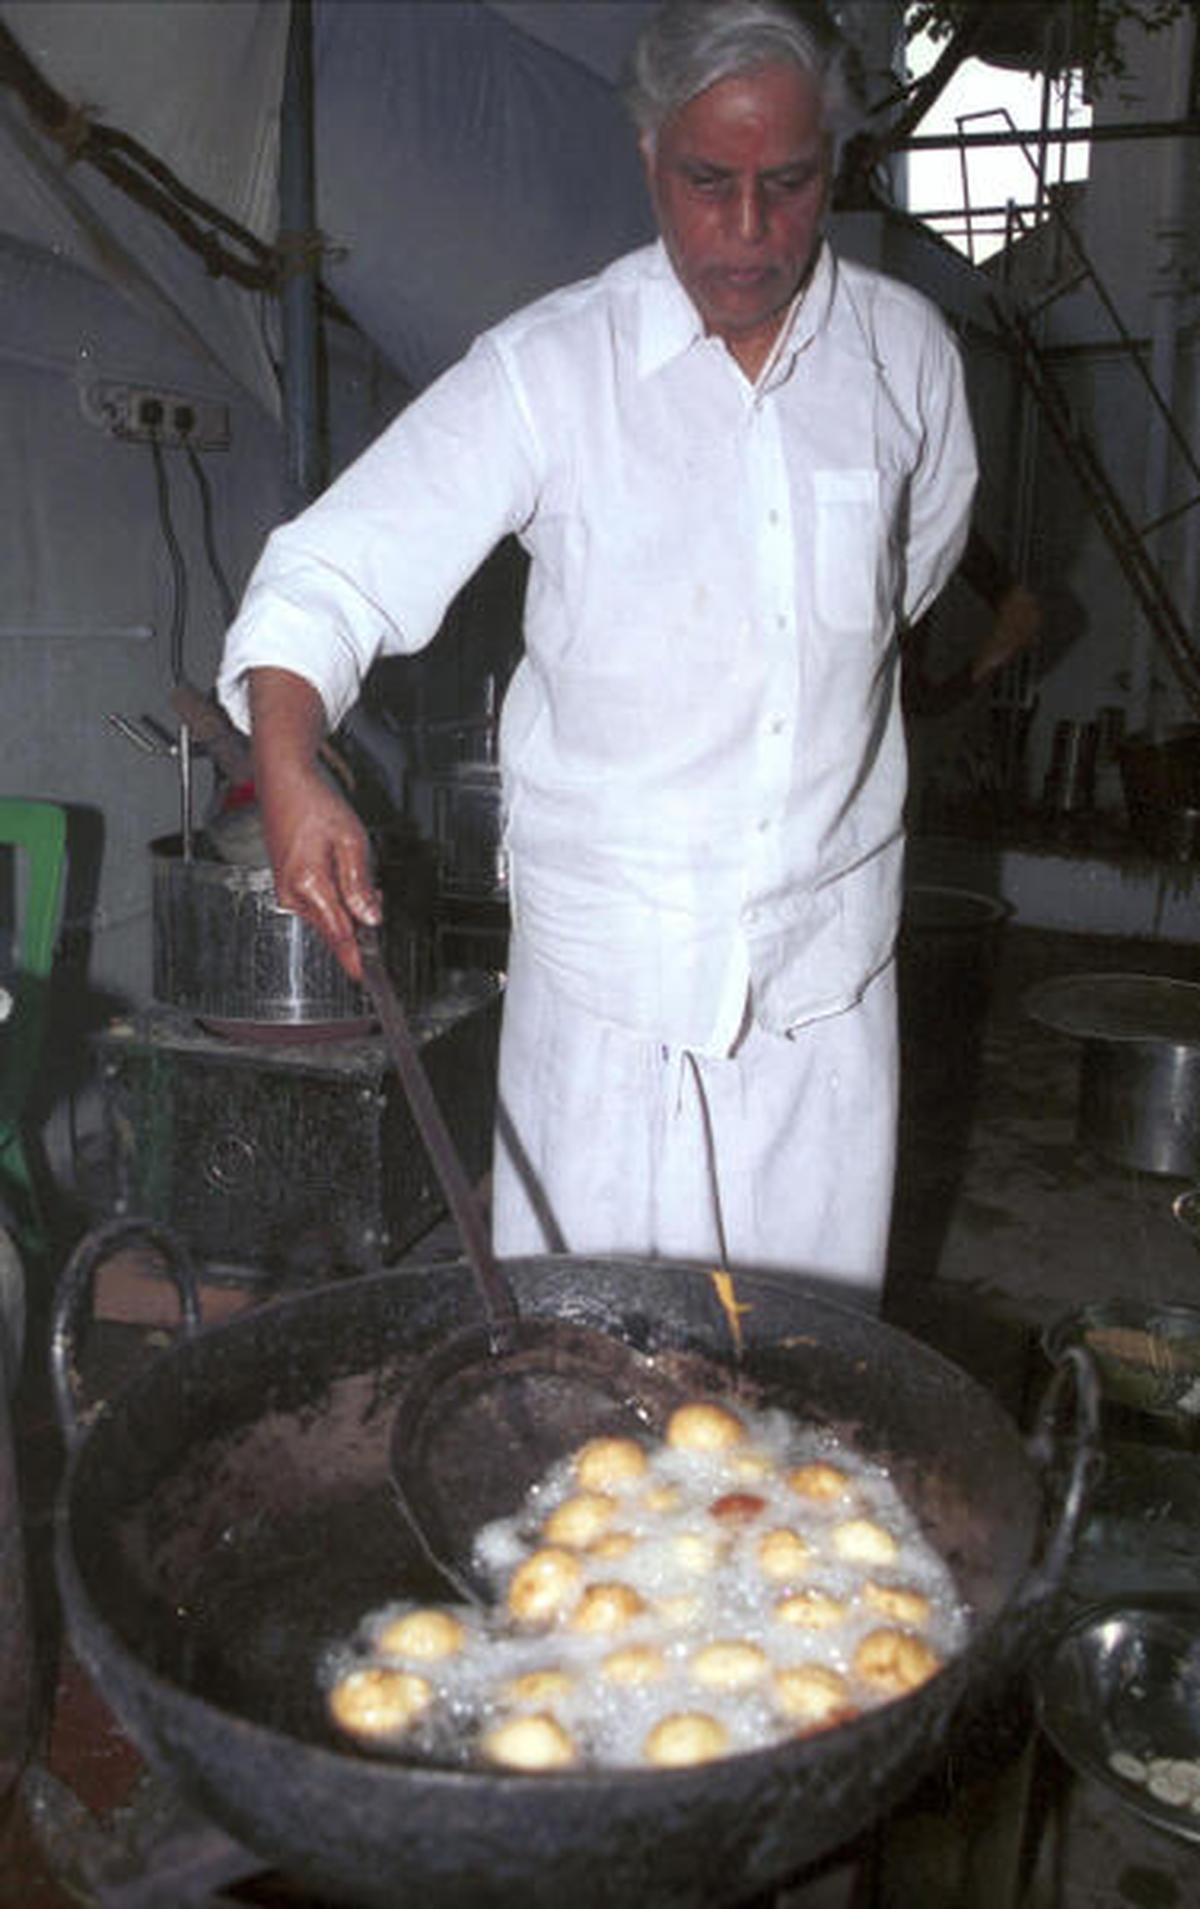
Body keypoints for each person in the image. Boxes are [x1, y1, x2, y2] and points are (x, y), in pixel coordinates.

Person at [217, 0, 978, 1310]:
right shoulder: (553, 371)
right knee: (588, 1390)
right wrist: (289, 763)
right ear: (647, 157)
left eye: (787, 185)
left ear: (834, 168)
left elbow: (906, 577)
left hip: (822, 1007)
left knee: (800, 1390)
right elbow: (332, 568)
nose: (747, 229)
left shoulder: (904, 360)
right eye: (707, 182)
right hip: (610, 1011)